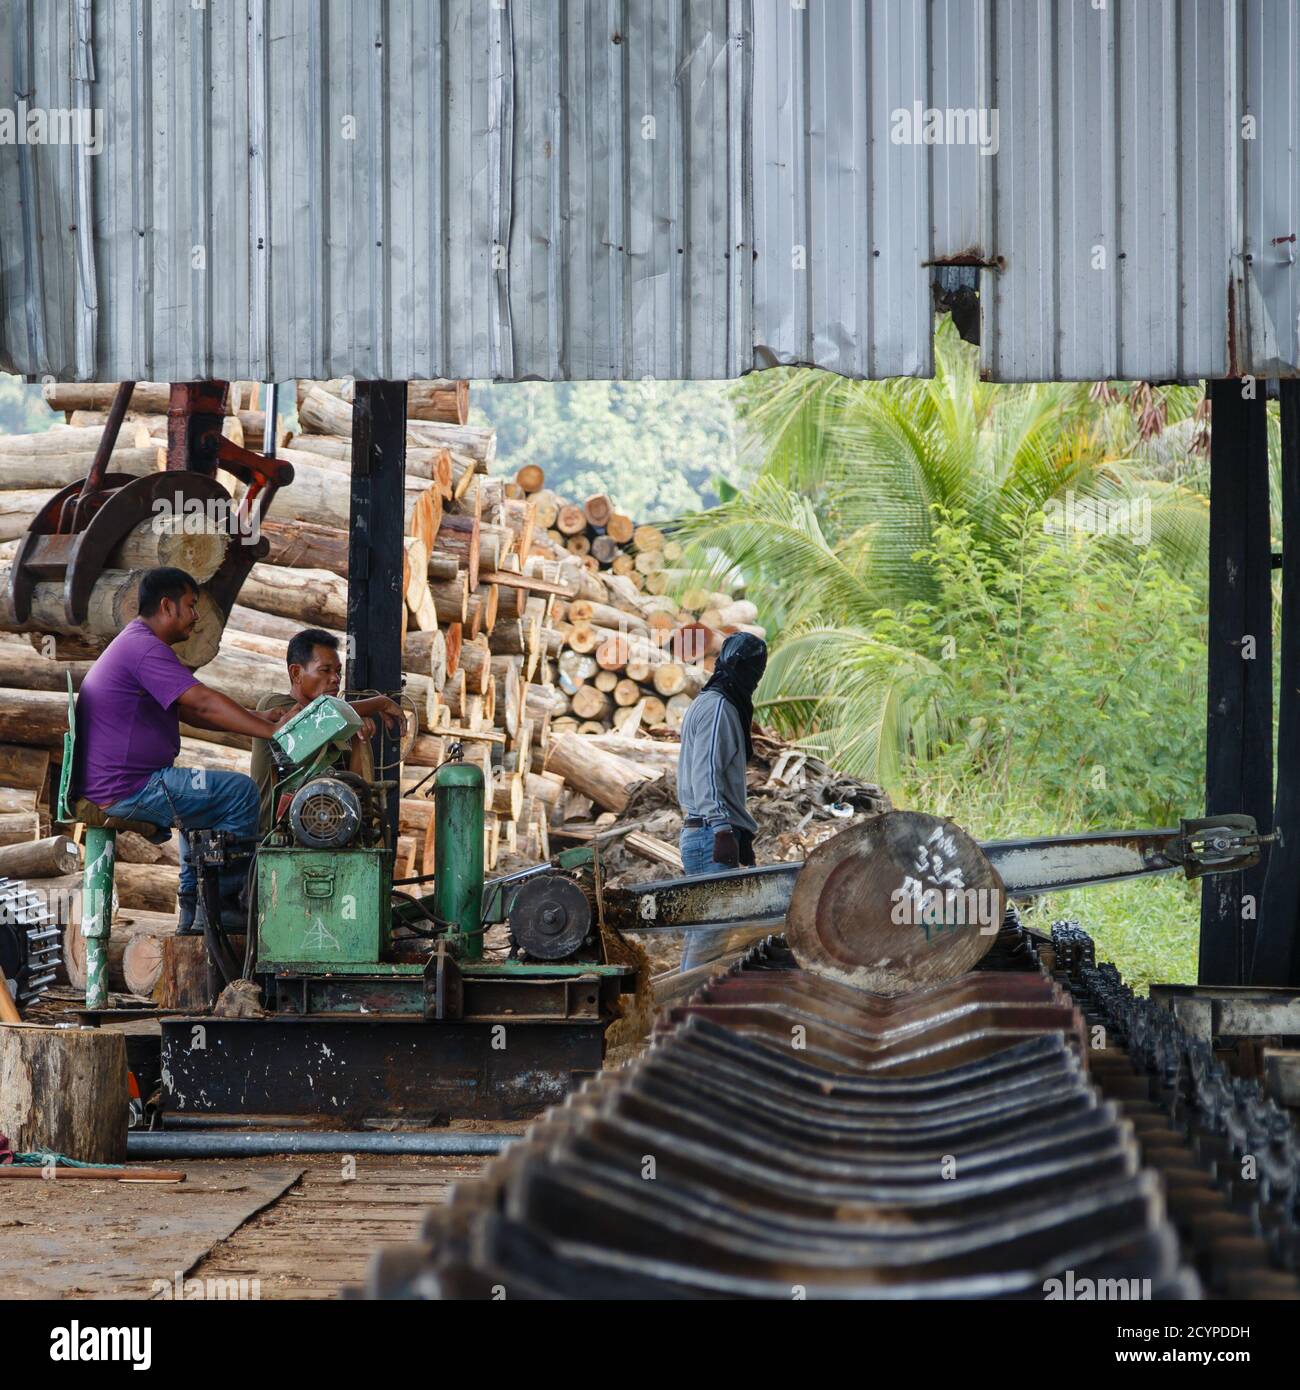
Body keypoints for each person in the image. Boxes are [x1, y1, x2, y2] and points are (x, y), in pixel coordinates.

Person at [73, 567, 287, 930]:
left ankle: (194, 912)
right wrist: (271, 730)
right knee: (240, 794)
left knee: (205, 804)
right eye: (190, 605)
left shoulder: (137, 643)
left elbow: (188, 709)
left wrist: (258, 717)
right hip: (130, 788)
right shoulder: (144, 649)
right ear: (167, 606)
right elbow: (201, 702)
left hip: (125, 783)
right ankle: (228, 905)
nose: (196, 615)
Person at [248, 628, 405, 834]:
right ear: (296, 673)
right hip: (275, 839)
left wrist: (361, 739)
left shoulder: (341, 725)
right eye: (325, 670)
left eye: (338, 671)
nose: (335, 679)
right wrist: (380, 703)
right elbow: (318, 719)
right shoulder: (276, 706)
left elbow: (356, 787)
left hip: (329, 835)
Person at [675, 631, 768, 972]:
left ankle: (680, 1011)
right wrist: (722, 829)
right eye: (754, 671)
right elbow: (707, 774)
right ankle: (686, 1014)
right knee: (712, 934)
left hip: (706, 832)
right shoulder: (719, 707)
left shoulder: (714, 700)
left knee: (705, 933)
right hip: (708, 834)